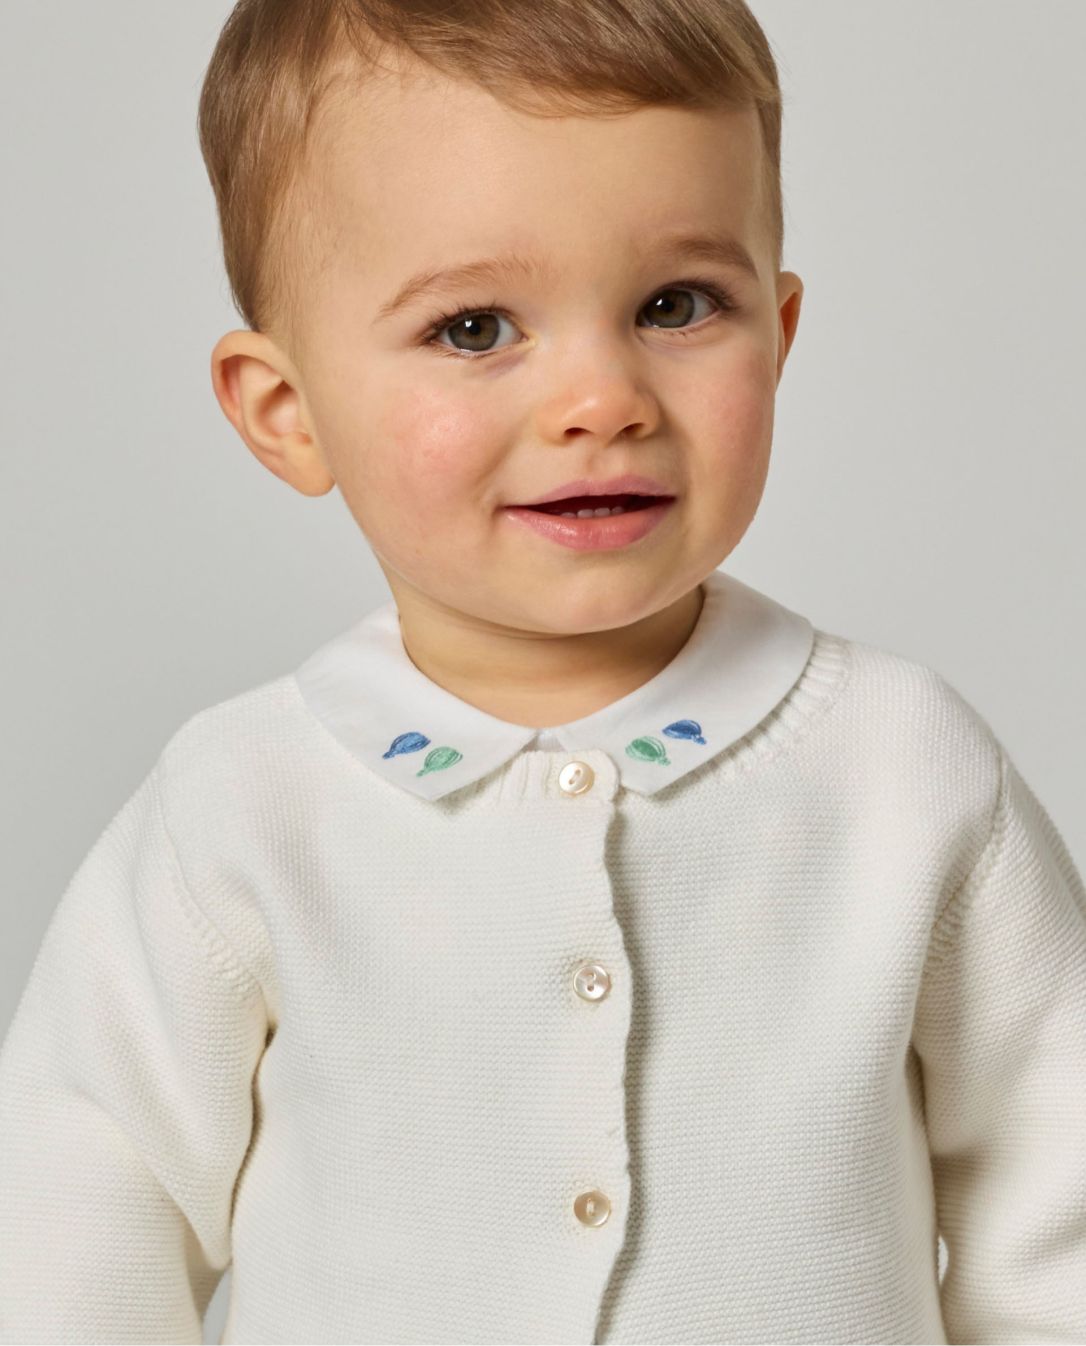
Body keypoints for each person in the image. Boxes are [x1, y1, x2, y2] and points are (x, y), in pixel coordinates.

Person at [1, 1, 1083, 1342]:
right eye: (473, 329)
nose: (602, 399)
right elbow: (75, 1217)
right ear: (289, 412)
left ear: (781, 331)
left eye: (675, 306)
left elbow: (1059, 1194)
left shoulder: (899, 767)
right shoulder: (243, 807)